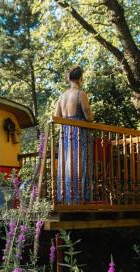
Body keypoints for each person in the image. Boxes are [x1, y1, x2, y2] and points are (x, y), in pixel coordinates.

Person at [55, 66, 93, 204]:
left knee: (67, 164)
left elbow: (56, 116)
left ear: (69, 79)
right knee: (80, 164)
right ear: (80, 78)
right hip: (78, 132)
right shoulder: (80, 94)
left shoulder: (61, 96)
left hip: (65, 133)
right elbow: (88, 116)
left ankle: (66, 198)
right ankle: (80, 199)